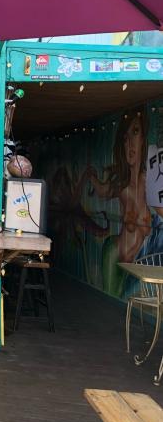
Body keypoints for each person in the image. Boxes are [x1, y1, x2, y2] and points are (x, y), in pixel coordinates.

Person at [85, 110, 150, 297]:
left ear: (144, 139)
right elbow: (103, 191)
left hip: (138, 258)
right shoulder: (122, 184)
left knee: (124, 298)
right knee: (109, 298)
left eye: (135, 132)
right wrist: (91, 176)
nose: (129, 143)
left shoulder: (149, 183)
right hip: (116, 251)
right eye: (125, 138)